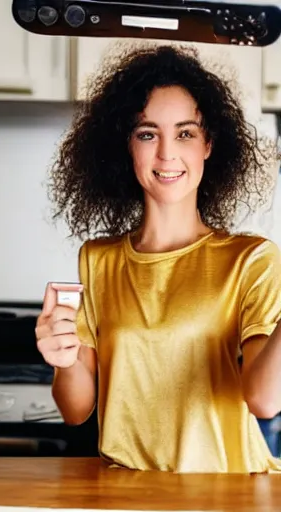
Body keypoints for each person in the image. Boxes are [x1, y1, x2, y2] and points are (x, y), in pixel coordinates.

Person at [35, 43, 281, 473]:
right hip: (126, 494)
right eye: (148, 133)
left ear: (208, 144)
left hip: (224, 496)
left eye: (185, 133)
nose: (167, 153)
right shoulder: (98, 261)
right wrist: (63, 359)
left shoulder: (251, 260)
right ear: (128, 146)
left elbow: (264, 400)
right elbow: (76, 410)